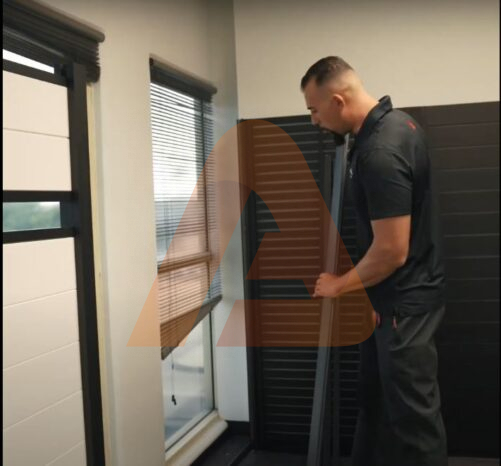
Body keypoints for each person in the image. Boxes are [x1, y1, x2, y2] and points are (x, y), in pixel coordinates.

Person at [301, 56, 448, 466]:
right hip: (393, 301)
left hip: (404, 305)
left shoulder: (380, 151)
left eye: (314, 110)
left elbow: (391, 250)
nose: (314, 120)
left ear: (336, 100)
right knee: (378, 405)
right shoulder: (398, 126)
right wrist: (370, 296)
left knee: (414, 424)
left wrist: (339, 284)